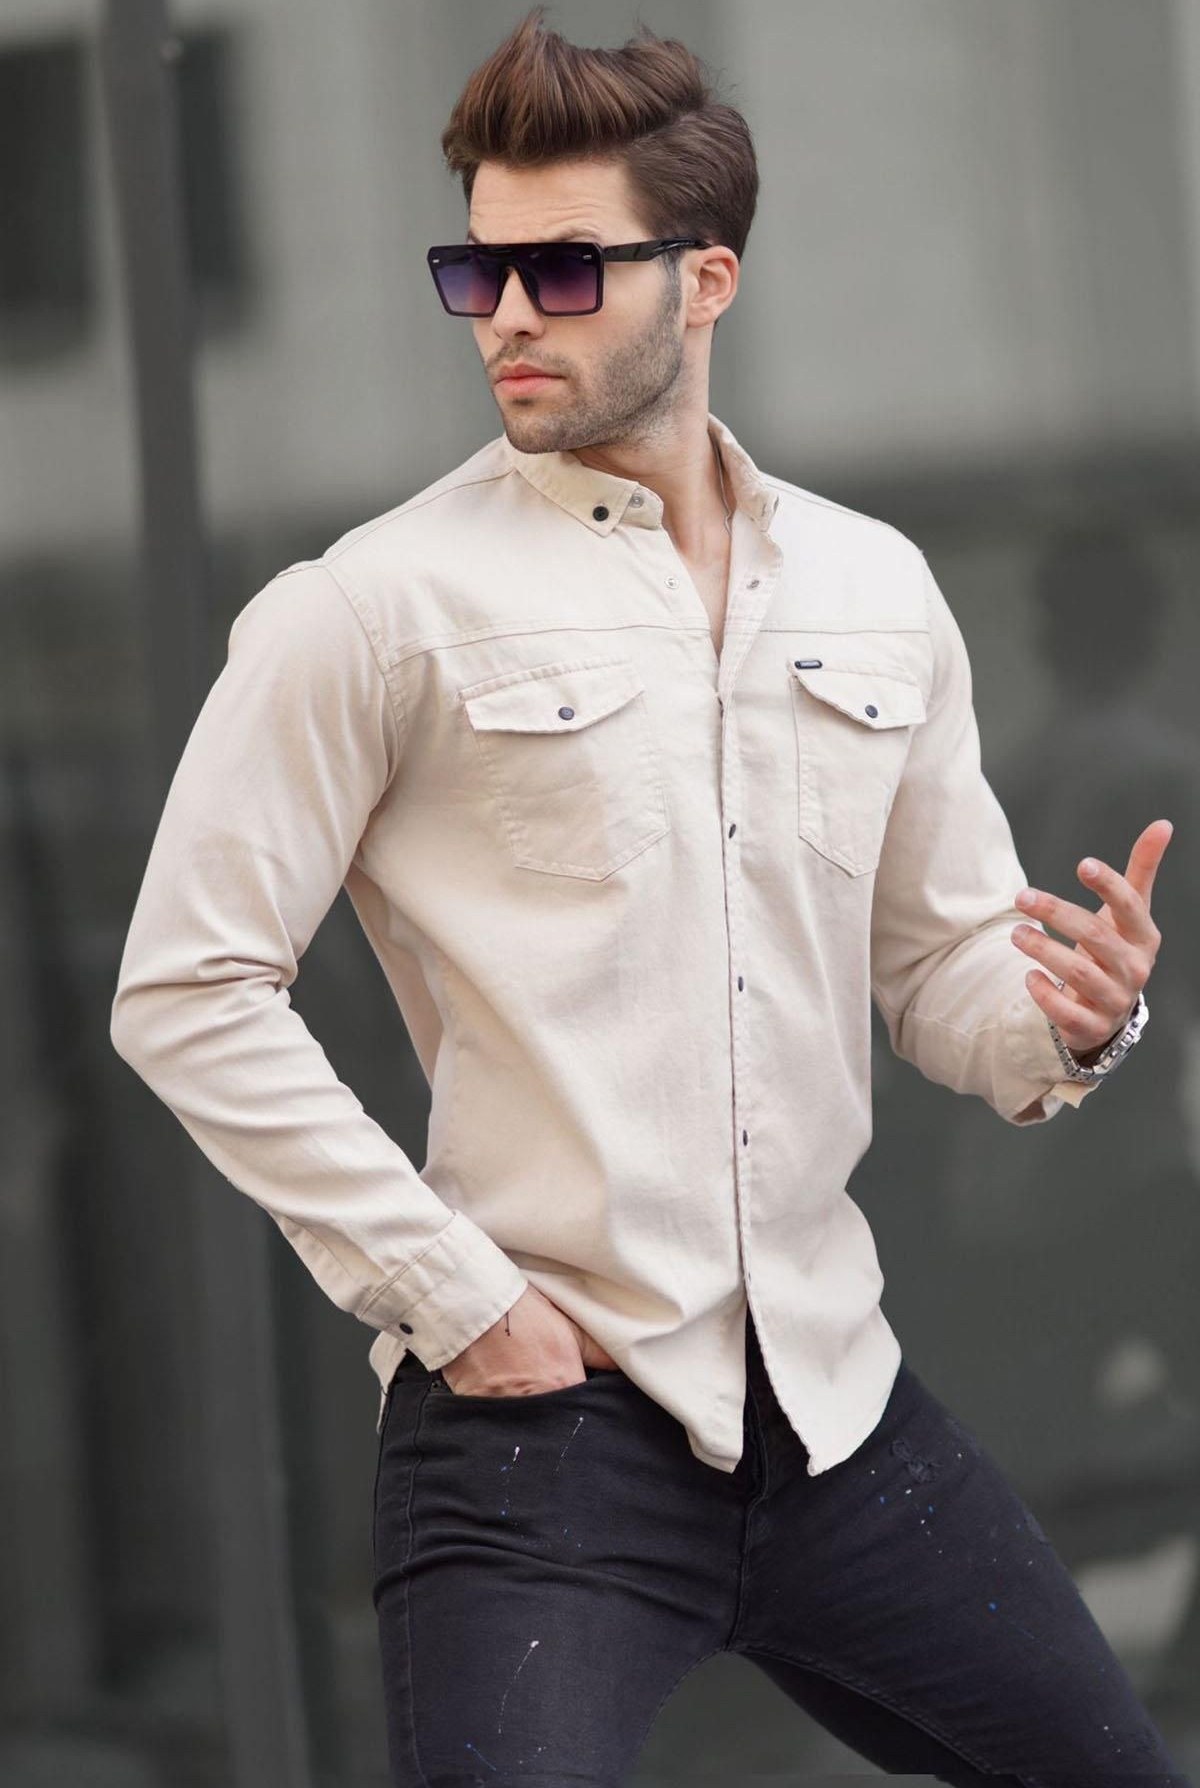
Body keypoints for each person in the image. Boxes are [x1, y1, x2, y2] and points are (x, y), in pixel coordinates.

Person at [110, 9, 1185, 1785]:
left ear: (706, 281)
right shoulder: (369, 609)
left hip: (839, 1405)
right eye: (477, 271)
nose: (508, 317)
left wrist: (1072, 1018)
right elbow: (186, 988)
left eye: (562, 270)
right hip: (541, 1432)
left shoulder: (874, 586)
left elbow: (941, 971)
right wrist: (454, 1297)